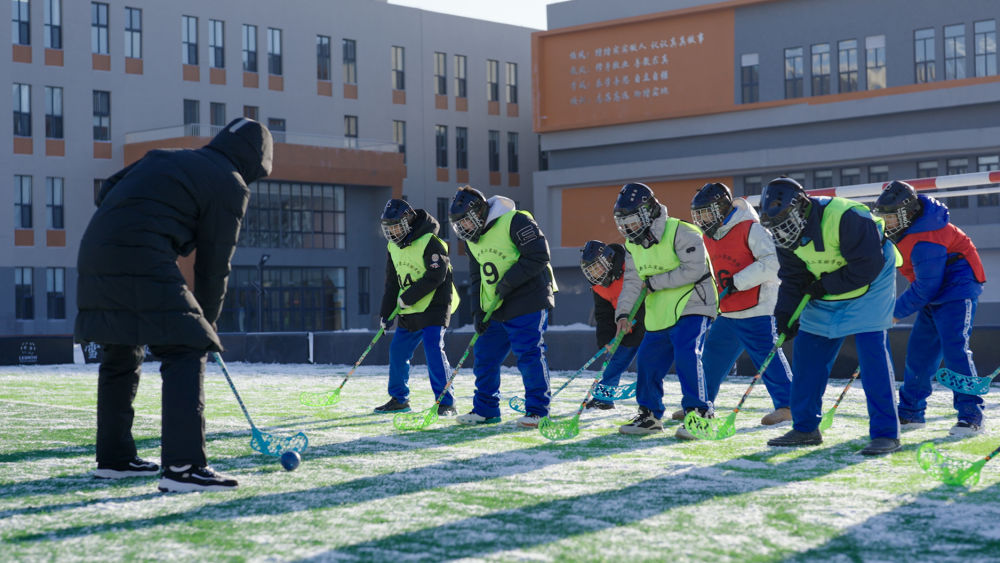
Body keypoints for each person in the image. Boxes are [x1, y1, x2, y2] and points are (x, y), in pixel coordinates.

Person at [76, 118, 273, 491]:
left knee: (120, 350)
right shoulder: (230, 183)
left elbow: (108, 191)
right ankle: (183, 468)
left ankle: (115, 460)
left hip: (96, 249)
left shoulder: (166, 156)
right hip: (140, 254)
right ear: (253, 163)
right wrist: (206, 327)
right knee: (186, 347)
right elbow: (214, 265)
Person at [760, 176, 901, 455]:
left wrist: (823, 286)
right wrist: (785, 315)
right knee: (808, 353)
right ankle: (805, 428)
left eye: (784, 222)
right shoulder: (783, 234)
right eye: (775, 227)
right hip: (823, 285)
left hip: (870, 284)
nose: (781, 232)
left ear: (801, 207)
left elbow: (866, 268)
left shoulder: (848, 217)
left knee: (872, 355)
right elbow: (793, 278)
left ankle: (886, 434)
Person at [872, 181, 987, 436]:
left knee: (955, 349)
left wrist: (893, 313)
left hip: (957, 289)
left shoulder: (926, 237)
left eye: (890, 218)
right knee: (920, 354)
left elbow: (926, 288)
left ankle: (971, 414)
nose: (885, 223)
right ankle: (911, 412)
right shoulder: (900, 232)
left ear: (905, 215)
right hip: (931, 291)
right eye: (883, 217)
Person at [612, 183, 718, 438]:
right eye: (623, 221)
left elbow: (693, 270)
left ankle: (700, 414)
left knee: (687, 355)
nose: (628, 227)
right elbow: (633, 282)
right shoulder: (632, 245)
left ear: (648, 213)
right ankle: (649, 415)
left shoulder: (683, 232)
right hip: (660, 311)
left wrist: (655, 282)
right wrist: (623, 314)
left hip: (694, 303)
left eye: (632, 220)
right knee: (648, 361)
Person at [449, 186, 556, 428]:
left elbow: (539, 255)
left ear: (478, 213)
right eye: (459, 225)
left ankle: (538, 411)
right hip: (495, 307)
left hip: (527, 300)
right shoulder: (472, 241)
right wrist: (477, 310)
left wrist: (508, 282)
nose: (464, 229)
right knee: (485, 357)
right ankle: (486, 410)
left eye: (466, 222)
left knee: (529, 355)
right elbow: (477, 277)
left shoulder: (516, 220)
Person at [691, 182, 793, 427]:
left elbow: (774, 262)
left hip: (758, 308)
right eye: (699, 214)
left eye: (706, 212)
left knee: (767, 357)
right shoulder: (708, 236)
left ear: (721, 209)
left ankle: (789, 405)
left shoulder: (751, 229)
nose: (702, 219)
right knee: (712, 357)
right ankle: (701, 405)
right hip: (728, 311)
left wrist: (739, 281)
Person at [374, 198, 460, 416]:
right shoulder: (392, 247)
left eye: (395, 226)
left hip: (434, 307)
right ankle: (399, 399)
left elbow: (436, 276)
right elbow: (392, 283)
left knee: (433, 349)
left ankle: (445, 402)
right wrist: (386, 313)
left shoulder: (431, 242)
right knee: (397, 351)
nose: (392, 232)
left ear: (407, 222)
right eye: (388, 227)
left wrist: (408, 298)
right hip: (408, 311)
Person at [579, 240, 646, 410]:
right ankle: (604, 399)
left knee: (649, 365)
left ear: (608, 260)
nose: (595, 274)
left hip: (650, 322)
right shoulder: (598, 286)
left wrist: (635, 321)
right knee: (614, 362)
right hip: (624, 327)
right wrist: (606, 341)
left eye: (597, 267)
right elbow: (603, 316)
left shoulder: (630, 267)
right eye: (591, 271)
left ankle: (649, 406)